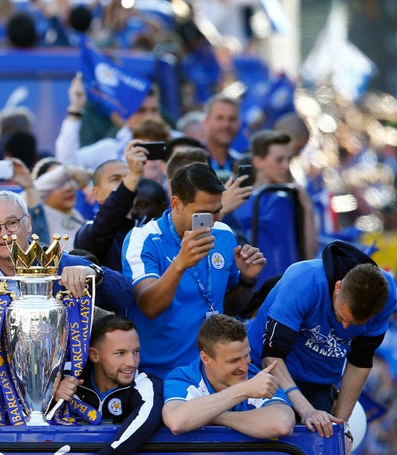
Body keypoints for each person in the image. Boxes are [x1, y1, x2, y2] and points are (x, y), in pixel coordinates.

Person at [122, 162, 266, 377]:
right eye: (202, 214)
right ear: (176, 204)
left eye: (217, 211)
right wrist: (180, 263)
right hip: (160, 374)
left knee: (278, 407)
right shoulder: (144, 239)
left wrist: (247, 279)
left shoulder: (224, 234)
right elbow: (149, 306)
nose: (211, 222)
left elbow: (227, 307)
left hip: (214, 372)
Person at [247, 240, 396, 437]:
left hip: (317, 382)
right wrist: (306, 410)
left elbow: (360, 362)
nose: (344, 328)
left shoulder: (386, 295)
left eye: (355, 324)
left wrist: (341, 428)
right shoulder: (303, 281)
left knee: (325, 445)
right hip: (263, 370)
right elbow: (271, 356)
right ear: (337, 286)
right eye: (341, 317)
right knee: (277, 431)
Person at [52, 315, 163, 455]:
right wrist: (51, 399)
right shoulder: (68, 380)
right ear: (94, 355)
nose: (131, 362)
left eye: (136, 352)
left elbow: (148, 419)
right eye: (120, 353)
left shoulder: (146, 383)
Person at [0, 190, 135, 314]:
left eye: (12, 223)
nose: (4, 234)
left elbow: (126, 297)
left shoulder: (62, 265)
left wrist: (96, 275)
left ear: (28, 224)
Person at [161, 314, 294, 438]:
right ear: (205, 358)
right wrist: (244, 390)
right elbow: (177, 422)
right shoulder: (184, 378)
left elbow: (281, 424)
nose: (245, 367)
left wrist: (212, 416)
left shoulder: (258, 377)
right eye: (233, 360)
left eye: (246, 355)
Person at [223, 129, 318, 285]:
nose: (286, 166)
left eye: (289, 159)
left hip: (285, 285)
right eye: (279, 160)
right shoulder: (236, 198)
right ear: (258, 161)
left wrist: (307, 209)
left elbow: (308, 252)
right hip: (249, 287)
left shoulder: (292, 197)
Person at [72, 140, 148, 271]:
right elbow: (110, 216)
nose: (127, 183)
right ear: (96, 193)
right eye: (116, 179)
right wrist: (134, 175)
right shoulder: (88, 231)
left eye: (128, 177)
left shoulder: (150, 225)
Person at [54, 78, 161, 171]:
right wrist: (75, 109)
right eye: (141, 111)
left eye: (154, 110)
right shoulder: (111, 149)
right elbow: (68, 165)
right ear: (123, 112)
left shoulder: (174, 142)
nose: (149, 117)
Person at [201, 94, 242, 179]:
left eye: (232, 119)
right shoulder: (191, 162)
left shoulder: (242, 164)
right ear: (206, 122)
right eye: (220, 118)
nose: (226, 125)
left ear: (238, 123)